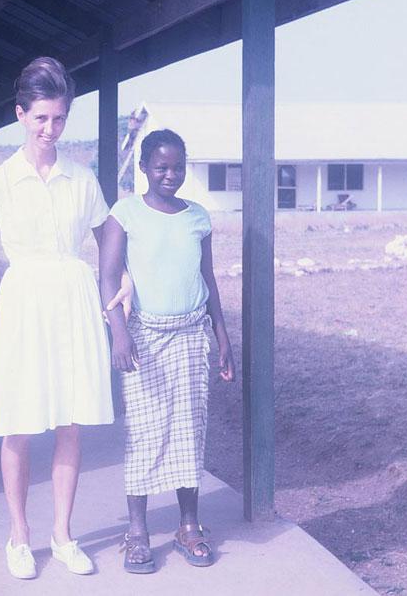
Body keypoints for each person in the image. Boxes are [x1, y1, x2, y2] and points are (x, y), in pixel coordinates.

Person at [0, 57, 127, 580]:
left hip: (74, 301)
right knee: (17, 422)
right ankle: (20, 536)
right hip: (21, 305)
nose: (49, 129)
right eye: (40, 118)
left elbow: (108, 235)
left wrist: (121, 278)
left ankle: (62, 533)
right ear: (20, 114)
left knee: (69, 421)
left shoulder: (81, 179)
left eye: (58, 118)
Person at [99, 129, 235, 573]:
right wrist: (119, 333)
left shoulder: (197, 216)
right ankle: (136, 532)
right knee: (144, 432)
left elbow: (208, 279)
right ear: (143, 168)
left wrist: (223, 337)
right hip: (144, 336)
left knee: (189, 431)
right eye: (161, 167)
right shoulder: (125, 214)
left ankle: (189, 527)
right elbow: (108, 277)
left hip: (192, 334)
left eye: (177, 167)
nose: (170, 175)